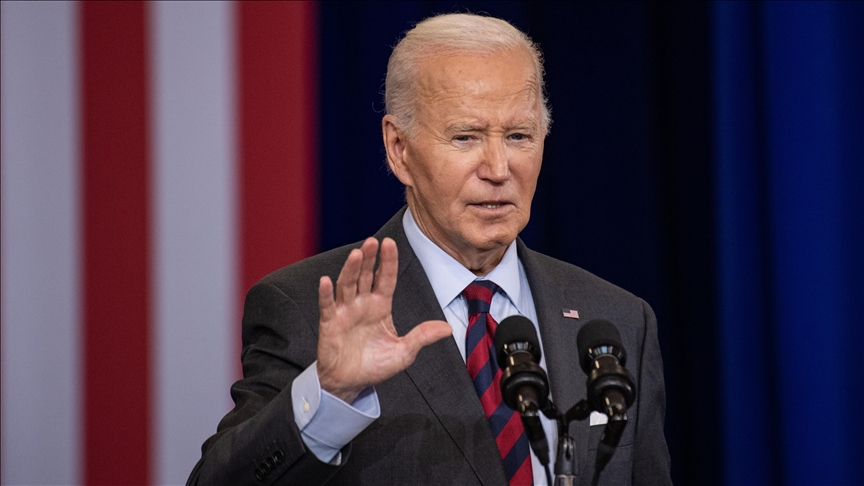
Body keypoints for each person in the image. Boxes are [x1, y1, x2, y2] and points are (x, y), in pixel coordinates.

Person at [188, 12, 671, 486]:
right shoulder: (311, 310)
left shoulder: (617, 321)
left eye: (519, 136)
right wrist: (331, 395)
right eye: (466, 137)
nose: (499, 168)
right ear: (399, 149)